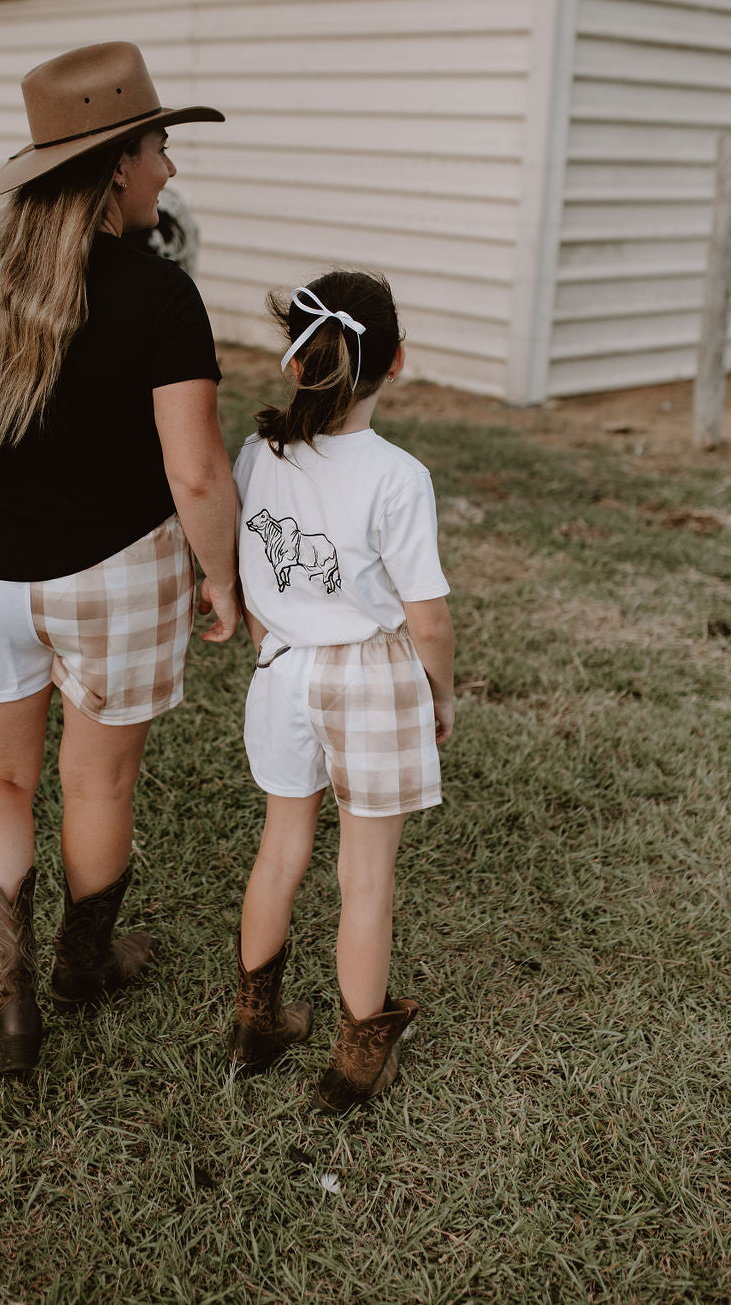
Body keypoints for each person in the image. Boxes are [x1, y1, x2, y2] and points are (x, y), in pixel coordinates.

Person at [0, 42, 239, 1078]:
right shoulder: (159, 297)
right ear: (116, 168)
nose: (169, 170)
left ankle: (9, 1013)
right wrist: (223, 580)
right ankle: (83, 967)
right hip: (111, 575)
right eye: (158, 148)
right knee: (96, 782)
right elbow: (194, 474)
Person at [227, 271, 454, 1113]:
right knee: (366, 876)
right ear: (395, 361)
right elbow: (427, 619)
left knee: (280, 850)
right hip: (370, 676)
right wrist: (442, 693)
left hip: (282, 670)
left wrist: (268, 643)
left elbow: (253, 573)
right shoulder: (398, 475)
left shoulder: (259, 453)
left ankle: (257, 1024)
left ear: (296, 362)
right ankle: (357, 1060)